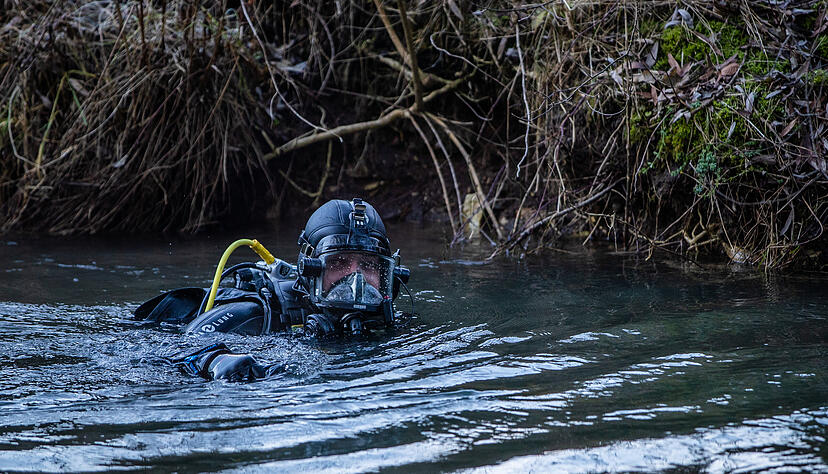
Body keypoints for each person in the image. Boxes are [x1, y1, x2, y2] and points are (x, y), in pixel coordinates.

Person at [134, 198, 411, 381]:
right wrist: (215, 361)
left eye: (368, 265)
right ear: (312, 269)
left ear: (388, 276)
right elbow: (174, 349)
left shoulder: (389, 324)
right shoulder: (256, 313)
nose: (356, 278)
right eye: (339, 263)